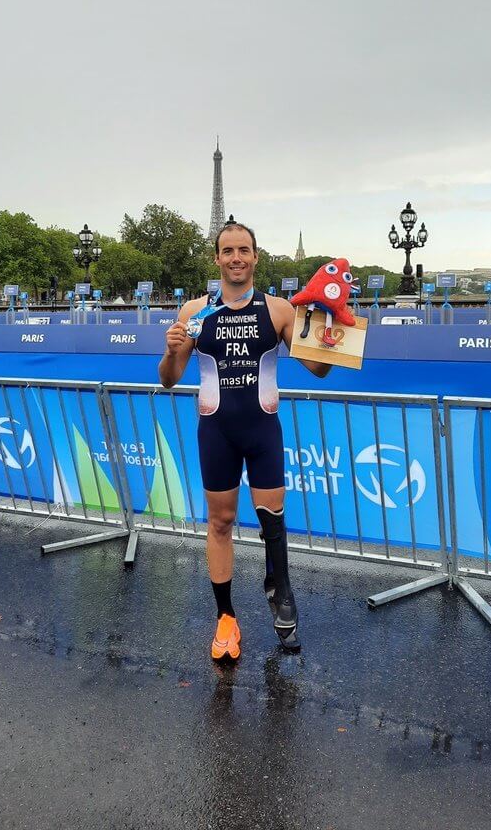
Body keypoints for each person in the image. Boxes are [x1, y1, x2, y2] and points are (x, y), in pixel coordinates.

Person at [159, 221, 331, 660]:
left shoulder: (278, 311)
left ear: (256, 257)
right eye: (228, 251)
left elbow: (318, 370)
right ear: (217, 258)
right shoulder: (194, 313)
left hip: (262, 430)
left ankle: (281, 591)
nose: (236, 258)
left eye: (244, 250)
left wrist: (330, 334)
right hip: (217, 431)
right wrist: (170, 349)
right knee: (220, 523)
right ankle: (226, 619)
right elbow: (169, 380)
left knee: (273, 519)